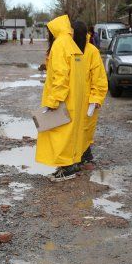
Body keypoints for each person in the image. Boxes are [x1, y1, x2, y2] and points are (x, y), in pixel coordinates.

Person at [35, 14, 88, 182]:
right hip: (74, 98)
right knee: (68, 133)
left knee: (59, 134)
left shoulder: (59, 45)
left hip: (64, 99)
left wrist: (53, 101)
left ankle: (66, 168)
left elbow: (61, 75)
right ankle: (69, 164)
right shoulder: (70, 43)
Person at [71, 21, 108, 171]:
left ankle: (85, 157)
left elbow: (99, 78)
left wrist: (95, 99)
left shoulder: (91, 51)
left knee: (85, 129)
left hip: (87, 101)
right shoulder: (68, 49)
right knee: (70, 128)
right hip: (71, 100)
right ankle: (72, 158)